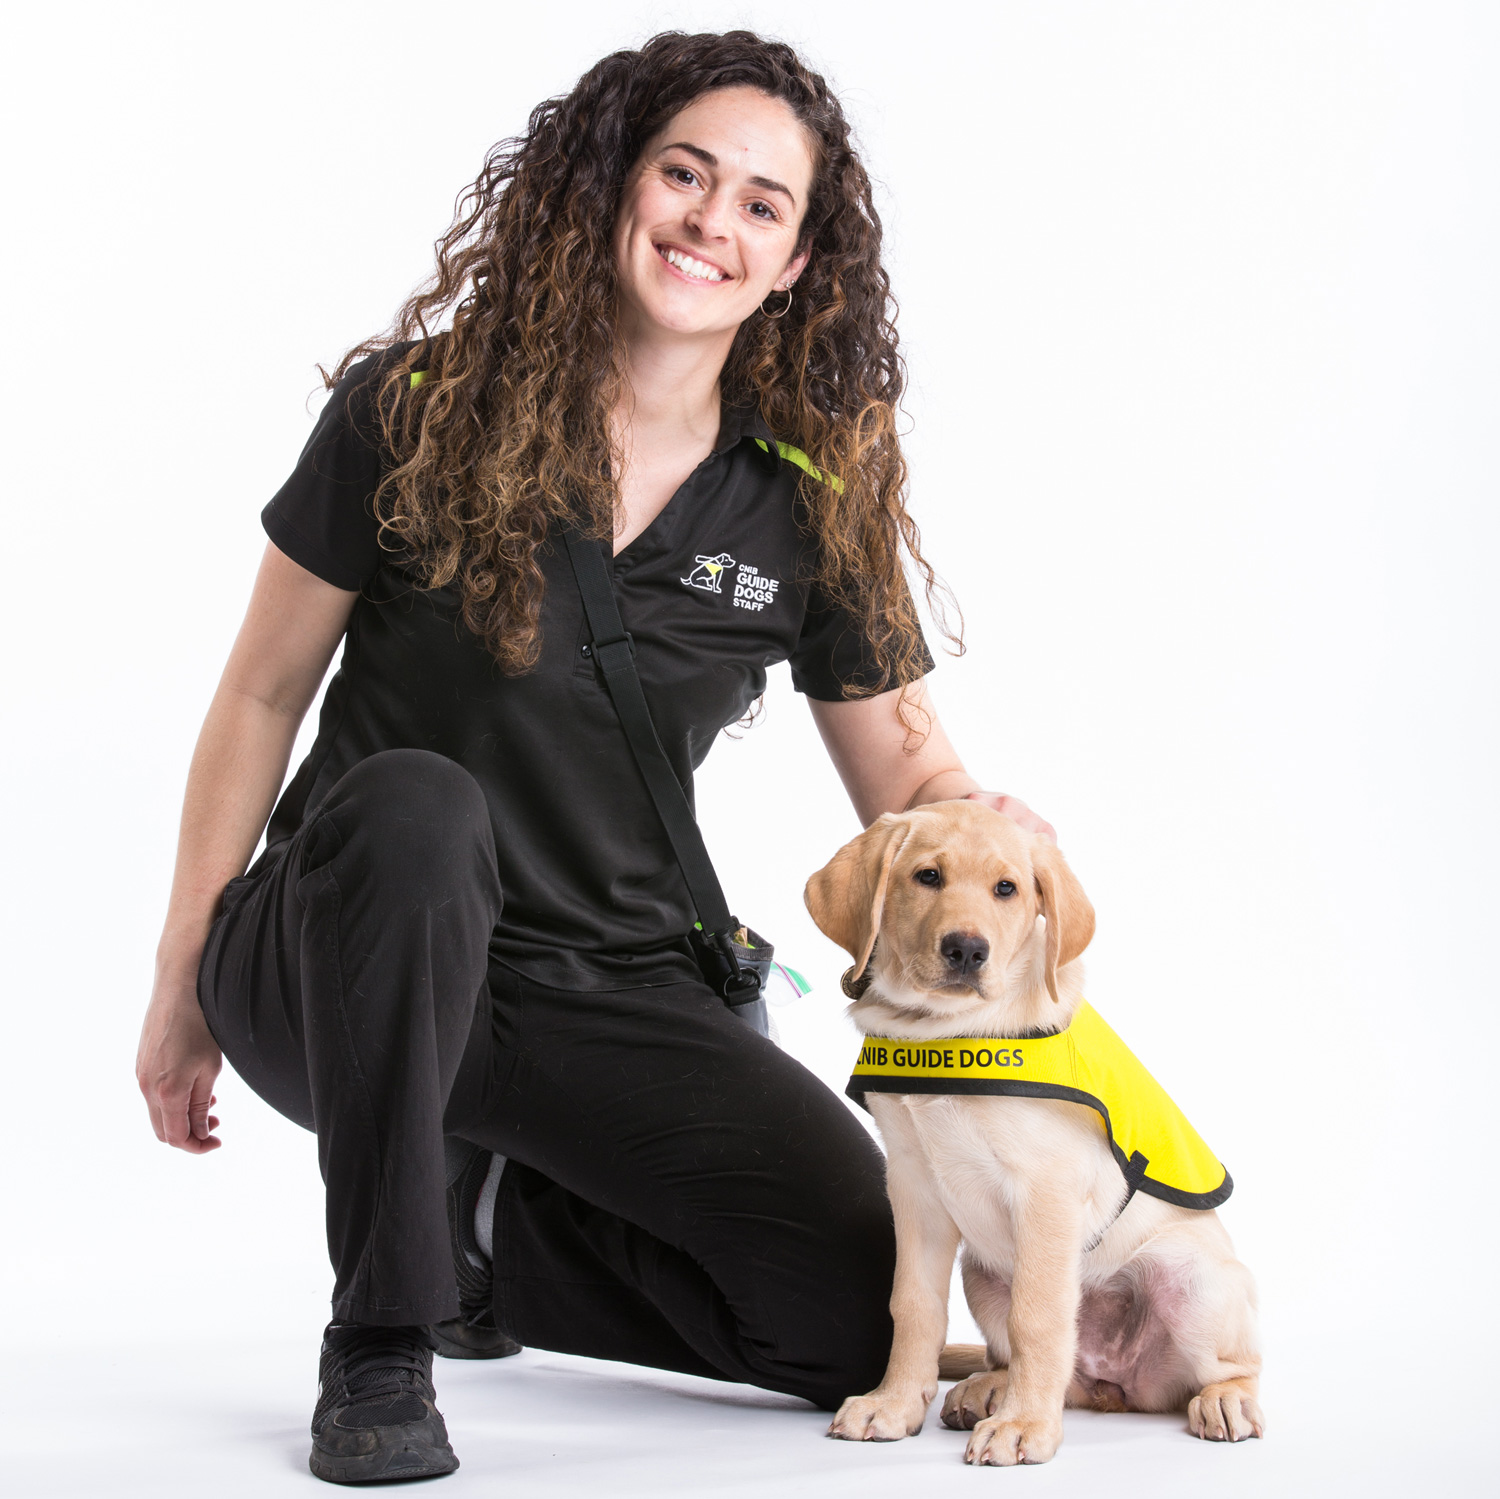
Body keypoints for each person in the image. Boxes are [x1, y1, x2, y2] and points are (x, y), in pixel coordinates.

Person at [135, 29, 1055, 1485]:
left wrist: (989, 821)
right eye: (683, 173)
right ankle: (381, 1337)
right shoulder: (416, 414)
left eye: (762, 203)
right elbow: (257, 698)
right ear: (610, 185)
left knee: (839, 1316)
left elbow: (912, 779)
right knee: (423, 811)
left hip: (596, 980)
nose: (711, 220)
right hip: (338, 951)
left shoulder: (806, 502)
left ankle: (484, 1233)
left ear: (799, 263)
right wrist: (182, 978)